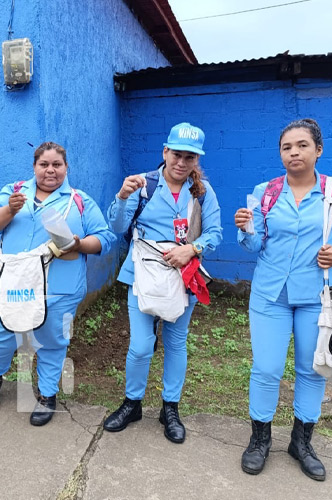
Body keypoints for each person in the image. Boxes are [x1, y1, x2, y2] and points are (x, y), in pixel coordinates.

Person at [234, 118, 332, 481]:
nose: (294, 152)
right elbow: (256, 244)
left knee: (313, 369)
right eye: (287, 147)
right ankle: (259, 440)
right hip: (269, 294)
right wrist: (245, 227)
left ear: (318, 150)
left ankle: (301, 442)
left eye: (302, 145)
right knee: (266, 368)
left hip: (317, 297)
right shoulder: (267, 191)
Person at [0, 141, 115, 426]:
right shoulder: (14, 192)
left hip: (60, 288)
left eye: (57, 165)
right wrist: (9, 210)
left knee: (53, 340)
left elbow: (104, 238)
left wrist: (78, 244)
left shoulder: (79, 201)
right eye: (44, 165)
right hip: (12, 283)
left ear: (66, 168)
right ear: (34, 167)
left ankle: (46, 394)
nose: (50, 170)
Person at [103, 122, 222, 443]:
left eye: (190, 157)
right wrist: (123, 196)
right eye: (176, 155)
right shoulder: (144, 185)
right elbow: (116, 226)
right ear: (165, 152)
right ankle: (132, 403)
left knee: (175, 342)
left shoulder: (202, 191)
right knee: (141, 345)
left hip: (184, 277)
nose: (182, 163)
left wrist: (192, 248)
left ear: (196, 160)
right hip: (142, 274)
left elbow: (214, 233)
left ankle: (170, 407)